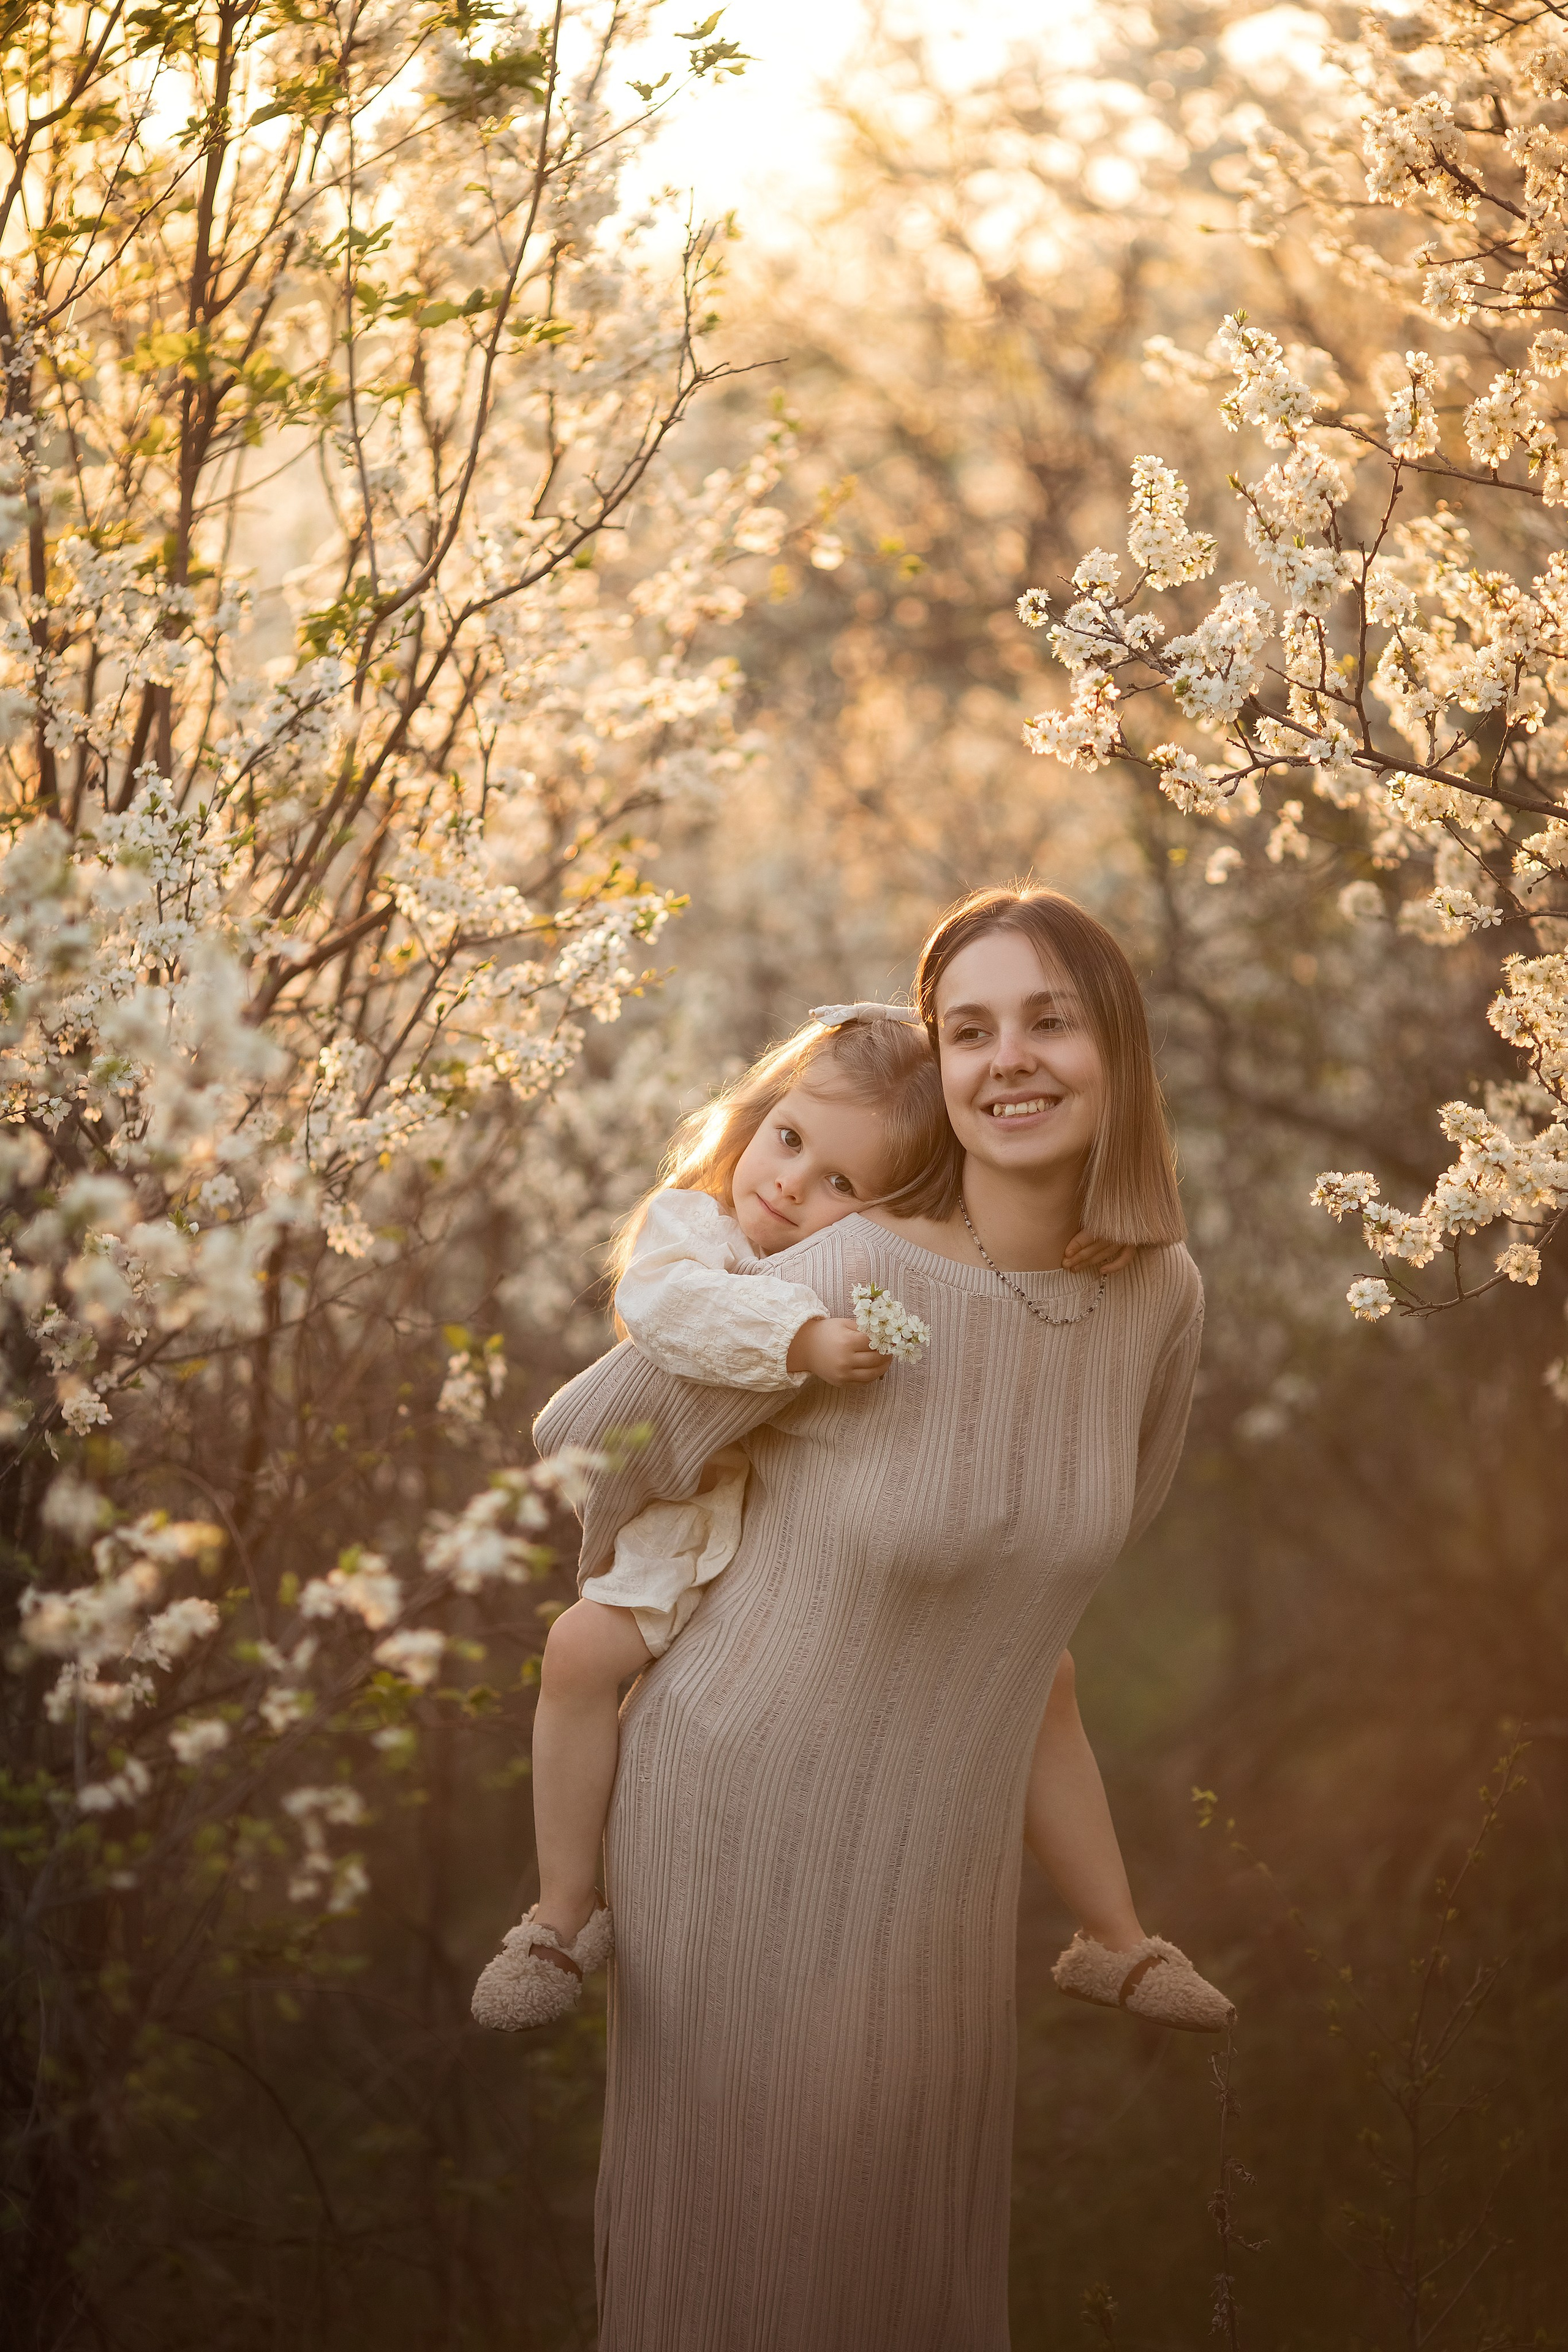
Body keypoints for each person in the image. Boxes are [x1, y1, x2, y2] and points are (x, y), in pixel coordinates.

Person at [493, 886, 1223, 2351]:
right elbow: (588, 1438)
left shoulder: (1160, 1299)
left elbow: (1054, 1573)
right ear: (939, 1070)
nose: (1006, 1061)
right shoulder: (844, 1275)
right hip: (741, 1809)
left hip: (943, 1857)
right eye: (969, 1031)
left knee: (903, 2255)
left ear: (1116, 1047)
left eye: (1046, 1021)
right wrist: (702, 1554)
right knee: (766, 2262)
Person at [472, 1007, 1228, 2040]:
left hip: (840, 1550)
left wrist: (1083, 1222)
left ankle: (1116, 1938)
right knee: (576, 1650)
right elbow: (659, 1318)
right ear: (759, 1115)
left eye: (841, 1183)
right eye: (787, 1139)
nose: (791, 1185)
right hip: (702, 1538)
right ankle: (561, 1917)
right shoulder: (698, 1231)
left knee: (1043, 1675)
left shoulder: (881, 1267)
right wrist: (799, 1340)